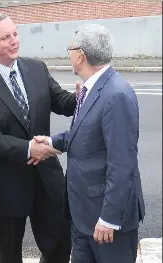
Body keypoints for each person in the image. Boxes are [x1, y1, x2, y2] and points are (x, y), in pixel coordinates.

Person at [0, 13, 77, 263]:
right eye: (5, 37)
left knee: (60, 245)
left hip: (46, 179)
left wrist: (82, 97)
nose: (14, 41)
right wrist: (28, 149)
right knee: (9, 255)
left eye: (15, 34)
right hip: (4, 186)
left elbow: (60, 101)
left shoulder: (36, 68)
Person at [33, 24, 145, 263]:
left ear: (81, 55)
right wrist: (53, 141)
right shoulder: (90, 88)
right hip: (83, 215)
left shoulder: (116, 95)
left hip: (106, 221)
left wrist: (110, 218)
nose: (69, 54)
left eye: (70, 49)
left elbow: (122, 163)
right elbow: (85, 133)